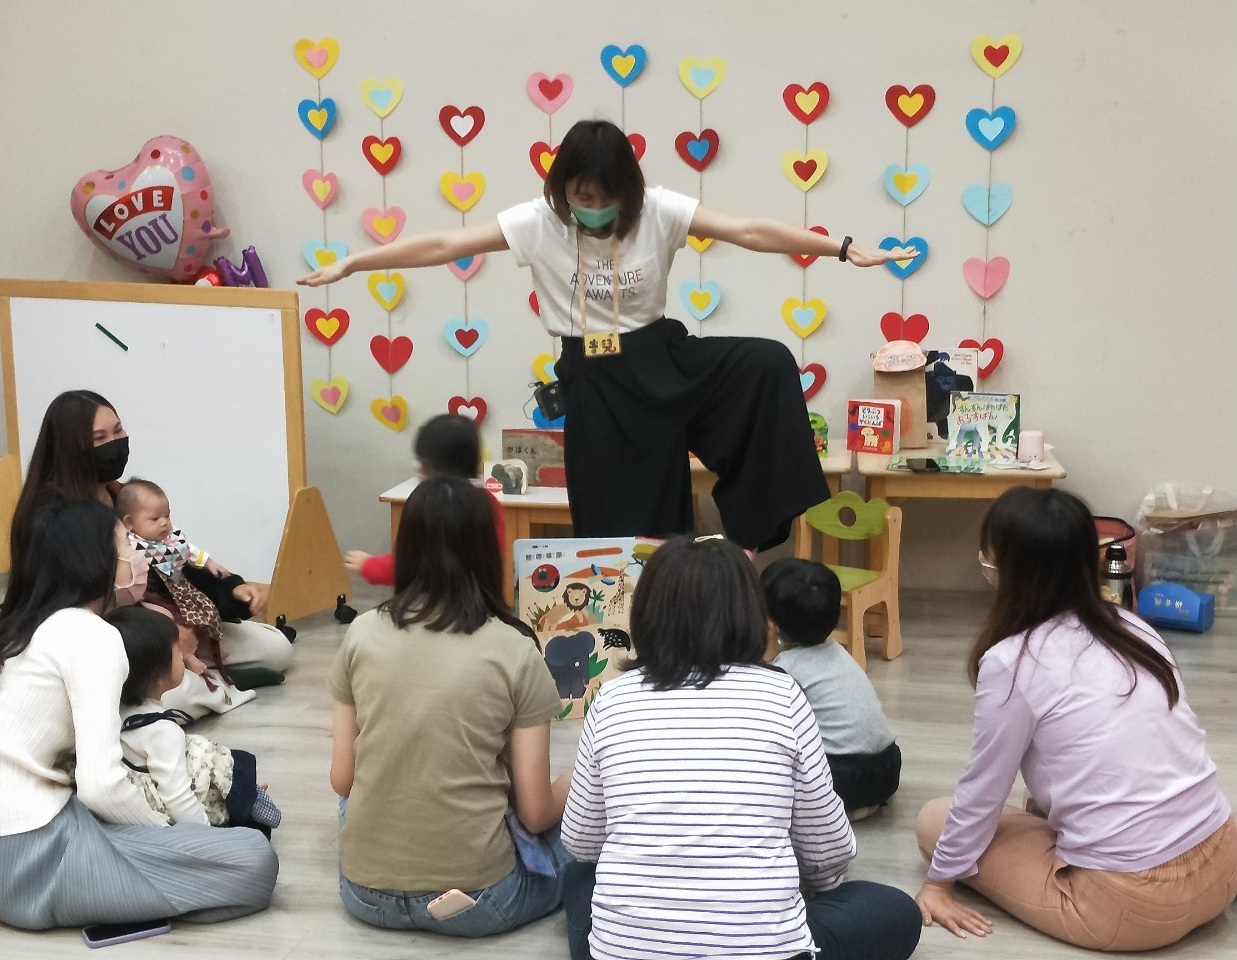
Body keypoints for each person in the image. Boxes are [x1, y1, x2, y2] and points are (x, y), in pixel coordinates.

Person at [300, 119, 915, 552]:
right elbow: (442, 244)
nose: (588, 206)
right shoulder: (538, 223)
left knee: (768, 363)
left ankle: (750, 531)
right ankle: (622, 637)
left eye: (600, 197)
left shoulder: (661, 210)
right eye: (576, 195)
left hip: (661, 356)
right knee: (616, 512)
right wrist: (354, 262)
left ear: (628, 189)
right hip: (593, 378)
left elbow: (750, 231)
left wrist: (843, 249)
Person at [561, 536, 922, 960]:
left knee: (580, 880)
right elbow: (829, 850)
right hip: (764, 949)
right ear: (752, 614)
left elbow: (581, 842)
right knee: (893, 910)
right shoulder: (782, 693)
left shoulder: (611, 699)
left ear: (645, 614)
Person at [914, 487, 1237, 950]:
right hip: (1223, 861)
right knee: (1039, 793)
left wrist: (939, 883)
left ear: (1005, 566)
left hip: (1132, 905)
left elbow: (984, 789)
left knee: (933, 819)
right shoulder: (1135, 627)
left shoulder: (1012, 660)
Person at [0, 500, 278, 930]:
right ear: (96, 560)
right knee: (253, 858)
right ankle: (134, 895)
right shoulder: (90, 635)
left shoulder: (16, 628)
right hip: (30, 859)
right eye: (126, 542)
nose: (137, 554)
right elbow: (102, 786)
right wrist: (175, 840)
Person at [329, 475, 573, 937]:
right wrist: (567, 786)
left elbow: (343, 779)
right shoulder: (515, 649)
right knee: (580, 833)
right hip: (481, 900)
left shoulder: (359, 633)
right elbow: (536, 813)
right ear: (487, 548)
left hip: (363, 893)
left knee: (358, 804)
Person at [9, 389, 293, 716]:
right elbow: (80, 612)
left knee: (276, 649)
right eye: (100, 437)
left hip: (173, 621)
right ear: (71, 449)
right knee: (171, 697)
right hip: (119, 637)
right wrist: (161, 634)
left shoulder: (123, 496)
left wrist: (233, 589)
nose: (115, 442)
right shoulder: (56, 518)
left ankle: (206, 676)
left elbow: (173, 557)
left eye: (118, 430)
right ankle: (203, 683)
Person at [109, 606, 282, 834]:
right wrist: (207, 838)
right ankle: (250, 800)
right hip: (191, 816)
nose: (183, 657)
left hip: (150, 797)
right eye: (177, 654)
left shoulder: (112, 714)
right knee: (236, 765)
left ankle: (246, 794)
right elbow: (178, 799)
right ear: (159, 676)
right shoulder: (162, 732)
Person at [763, 558, 902, 819]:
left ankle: (835, 809)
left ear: (771, 626)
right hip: (889, 767)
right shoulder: (839, 652)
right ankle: (856, 806)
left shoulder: (785, 670)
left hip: (842, 776)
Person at [343, 413, 505, 585]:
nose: (418, 468)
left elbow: (409, 567)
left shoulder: (430, 503)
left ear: (434, 466)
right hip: (481, 603)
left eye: (422, 461)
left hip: (431, 605)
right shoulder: (487, 501)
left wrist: (368, 565)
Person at [117, 478, 230, 678]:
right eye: (154, 519)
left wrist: (210, 563)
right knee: (170, 621)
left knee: (201, 612)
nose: (164, 522)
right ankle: (185, 657)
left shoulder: (169, 540)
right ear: (129, 523)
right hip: (150, 598)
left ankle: (210, 650)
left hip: (177, 592)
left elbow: (189, 551)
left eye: (167, 515)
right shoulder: (131, 546)